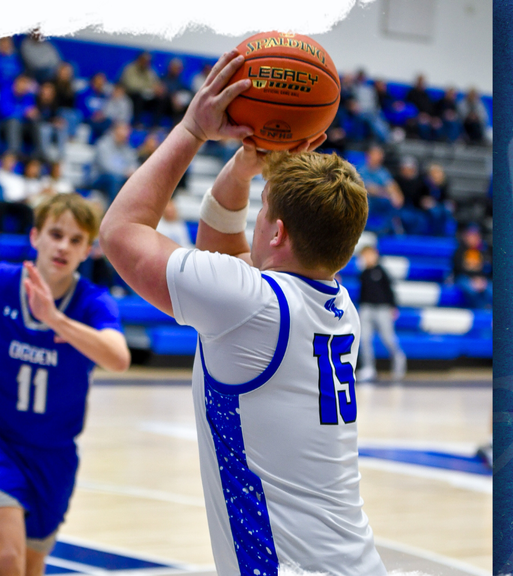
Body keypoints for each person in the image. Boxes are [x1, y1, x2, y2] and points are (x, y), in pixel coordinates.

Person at [99, 49, 386, 576]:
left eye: (262, 210)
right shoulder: (335, 306)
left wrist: (192, 129)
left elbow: (120, 233)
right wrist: (247, 164)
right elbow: (221, 256)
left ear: (276, 233)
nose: (251, 220)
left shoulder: (252, 305)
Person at [0, 193, 130, 576]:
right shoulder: (6, 282)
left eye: (76, 240)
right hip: (4, 443)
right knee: (7, 558)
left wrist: (55, 320)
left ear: (88, 250)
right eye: (55, 234)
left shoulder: (92, 303)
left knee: (31, 565)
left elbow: (118, 358)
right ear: (35, 236)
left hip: (53, 455)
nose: (63, 246)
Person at [356, 244, 406, 382]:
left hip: (382, 308)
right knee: (364, 339)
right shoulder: (363, 273)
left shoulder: (381, 271)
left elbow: (389, 290)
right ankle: (368, 368)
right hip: (366, 308)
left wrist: (393, 307)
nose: (366, 259)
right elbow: (363, 292)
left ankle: (399, 360)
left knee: (388, 338)